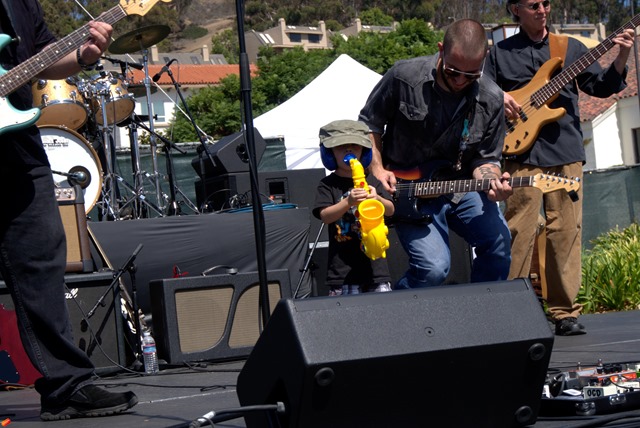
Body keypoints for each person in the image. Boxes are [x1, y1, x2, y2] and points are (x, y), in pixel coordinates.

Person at [0, 1, 138, 420]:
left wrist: (82, 54)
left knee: (41, 258)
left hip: (16, 142)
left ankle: (67, 386)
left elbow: (41, 56)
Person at [484, 0, 634, 336]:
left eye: (546, 3)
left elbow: (601, 87)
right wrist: (499, 97)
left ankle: (564, 312)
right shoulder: (499, 54)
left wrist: (622, 53)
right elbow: (479, 91)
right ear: (515, 10)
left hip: (565, 151)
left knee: (566, 231)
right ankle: (512, 310)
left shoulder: (570, 47)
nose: (542, 9)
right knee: (519, 232)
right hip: (520, 153)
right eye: (533, 5)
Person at [358, 19, 513, 290]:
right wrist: (378, 169)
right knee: (433, 268)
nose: (460, 81)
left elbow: (486, 158)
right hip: (407, 190)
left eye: (471, 75)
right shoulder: (403, 77)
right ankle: (396, 306)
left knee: (499, 243)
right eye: (453, 72)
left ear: (484, 58)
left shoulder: (491, 98)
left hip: (459, 186)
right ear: (441, 49)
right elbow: (369, 124)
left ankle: (483, 311)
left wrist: (492, 181)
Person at [313, 120, 395, 295]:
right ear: (329, 153)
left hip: (375, 269)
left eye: (355, 146)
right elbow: (325, 216)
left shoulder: (372, 180)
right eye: (341, 147)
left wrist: (378, 198)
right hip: (342, 272)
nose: (349, 150)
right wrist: (348, 202)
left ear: (364, 151)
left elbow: (390, 210)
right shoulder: (327, 184)